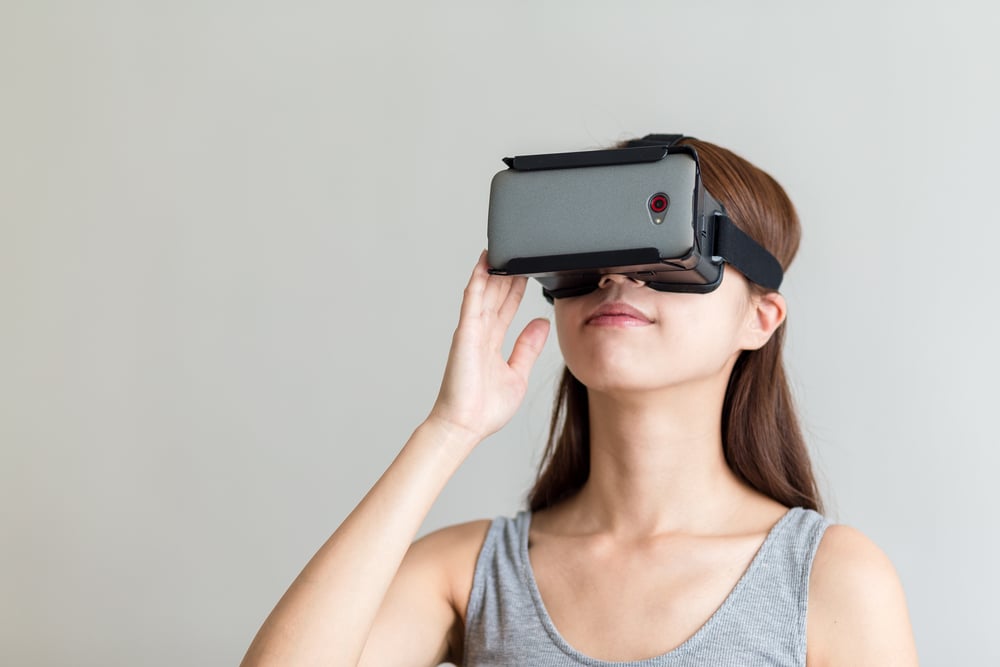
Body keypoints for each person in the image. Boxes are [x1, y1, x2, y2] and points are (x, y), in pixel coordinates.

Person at [241, 138, 918, 666]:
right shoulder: (473, 572)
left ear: (760, 317)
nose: (618, 276)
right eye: (590, 253)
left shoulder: (828, 578)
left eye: (665, 249)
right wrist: (450, 428)